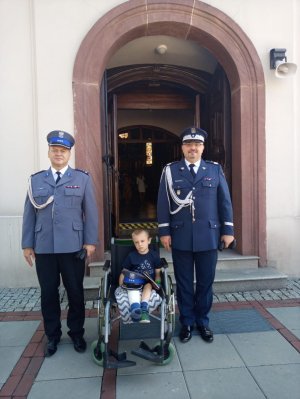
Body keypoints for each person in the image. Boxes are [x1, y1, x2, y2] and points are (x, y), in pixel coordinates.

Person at [22, 130, 99, 357]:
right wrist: (27, 244)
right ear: (48, 152)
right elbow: (29, 214)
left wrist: (90, 242)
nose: (58, 154)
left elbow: (91, 212)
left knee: (75, 292)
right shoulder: (36, 180)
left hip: (73, 247)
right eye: (54, 150)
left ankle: (76, 333)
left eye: (63, 151)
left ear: (69, 153)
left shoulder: (81, 179)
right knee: (48, 293)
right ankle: (53, 336)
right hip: (44, 246)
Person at [157, 127, 234, 343]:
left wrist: (228, 230)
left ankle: (203, 322)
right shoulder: (171, 171)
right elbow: (163, 203)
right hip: (180, 236)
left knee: (205, 282)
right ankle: (187, 322)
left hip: (209, 235)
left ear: (203, 147)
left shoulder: (214, 170)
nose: (193, 148)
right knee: (183, 283)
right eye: (189, 144)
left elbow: (224, 202)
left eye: (197, 145)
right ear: (182, 147)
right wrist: (164, 231)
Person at [118, 229, 161, 323]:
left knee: (148, 286)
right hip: (134, 282)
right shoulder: (131, 256)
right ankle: (135, 310)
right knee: (132, 289)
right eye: (136, 242)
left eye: (142, 241)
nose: (140, 244)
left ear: (149, 240)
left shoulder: (154, 255)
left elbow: (158, 272)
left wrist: (158, 282)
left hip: (148, 282)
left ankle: (144, 309)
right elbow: (124, 272)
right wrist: (121, 284)